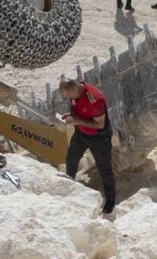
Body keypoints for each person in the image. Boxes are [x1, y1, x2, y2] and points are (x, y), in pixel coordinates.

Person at [59, 78, 116, 215]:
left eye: (68, 95)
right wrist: (72, 115)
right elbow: (75, 106)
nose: (68, 98)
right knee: (72, 158)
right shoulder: (75, 93)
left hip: (98, 137)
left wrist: (77, 120)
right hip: (81, 132)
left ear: (75, 89)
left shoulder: (94, 99)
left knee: (104, 168)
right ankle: (69, 186)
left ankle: (110, 201)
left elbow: (99, 125)